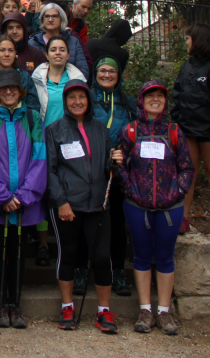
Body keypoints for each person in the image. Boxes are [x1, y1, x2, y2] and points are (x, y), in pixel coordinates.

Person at [113, 81, 195, 335]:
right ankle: (145, 309)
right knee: (141, 256)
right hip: (137, 206)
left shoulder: (174, 132)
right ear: (142, 100)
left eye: (160, 96)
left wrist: (176, 192)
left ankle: (164, 311)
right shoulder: (130, 131)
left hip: (170, 208)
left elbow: (187, 167)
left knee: (165, 257)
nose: (156, 99)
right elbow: (118, 163)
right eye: (151, 96)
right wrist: (131, 190)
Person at [0, 70, 46, 329]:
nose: (8, 92)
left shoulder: (32, 118)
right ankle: (0, 304)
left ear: (21, 90)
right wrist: (2, 195)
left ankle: (16, 304)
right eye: (4, 88)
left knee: (18, 253)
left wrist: (24, 195)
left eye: (13, 88)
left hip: (24, 203)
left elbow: (40, 158)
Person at [46, 80, 117, 333]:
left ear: (89, 101)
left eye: (82, 97)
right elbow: (50, 170)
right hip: (69, 205)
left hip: (98, 204)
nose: (77, 101)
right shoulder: (55, 130)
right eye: (72, 97)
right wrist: (61, 201)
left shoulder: (100, 129)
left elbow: (107, 169)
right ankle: (67, 306)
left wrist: (114, 162)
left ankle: (104, 312)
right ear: (65, 102)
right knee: (68, 255)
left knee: (101, 257)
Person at [91, 56, 137, 295]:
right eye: (102, 70)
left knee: (118, 224)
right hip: (89, 170)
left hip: (119, 173)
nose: (107, 75)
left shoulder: (128, 103)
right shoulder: (86, 98)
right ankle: (82, 270)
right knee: (87, 221)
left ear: (119, 75)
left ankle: (118, 272)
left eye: (112, 71)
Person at [171, 22, 210, 234]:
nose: (186, 42)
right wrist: (176, 122)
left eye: (188, 39)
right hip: (188, 129)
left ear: (198, 40)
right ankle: (183, 219)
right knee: (190, 172)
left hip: (209, 131)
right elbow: (177, 93)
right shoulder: (187, 65)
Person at [32, 36, 86, 123]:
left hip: (71, 134)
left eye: (62, 50)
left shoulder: (78, 80)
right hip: (43, 134)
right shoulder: (36, 80)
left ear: (68, 55)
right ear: (47, 55)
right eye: (53, 50)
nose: (58, 53)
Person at [28, 3, 90, 80]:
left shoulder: (73, 41)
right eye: (47, 16)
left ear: (61, 19)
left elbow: (83, 70)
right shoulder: (33, 42)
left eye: (55, 16)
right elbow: (28, 70)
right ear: (42, 19)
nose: (50, 19)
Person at [0, 34, 41, 113]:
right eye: (2, 50)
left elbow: (33, 106)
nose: (7, 54)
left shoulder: (24, 76)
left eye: (11, 50)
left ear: (15, 53)